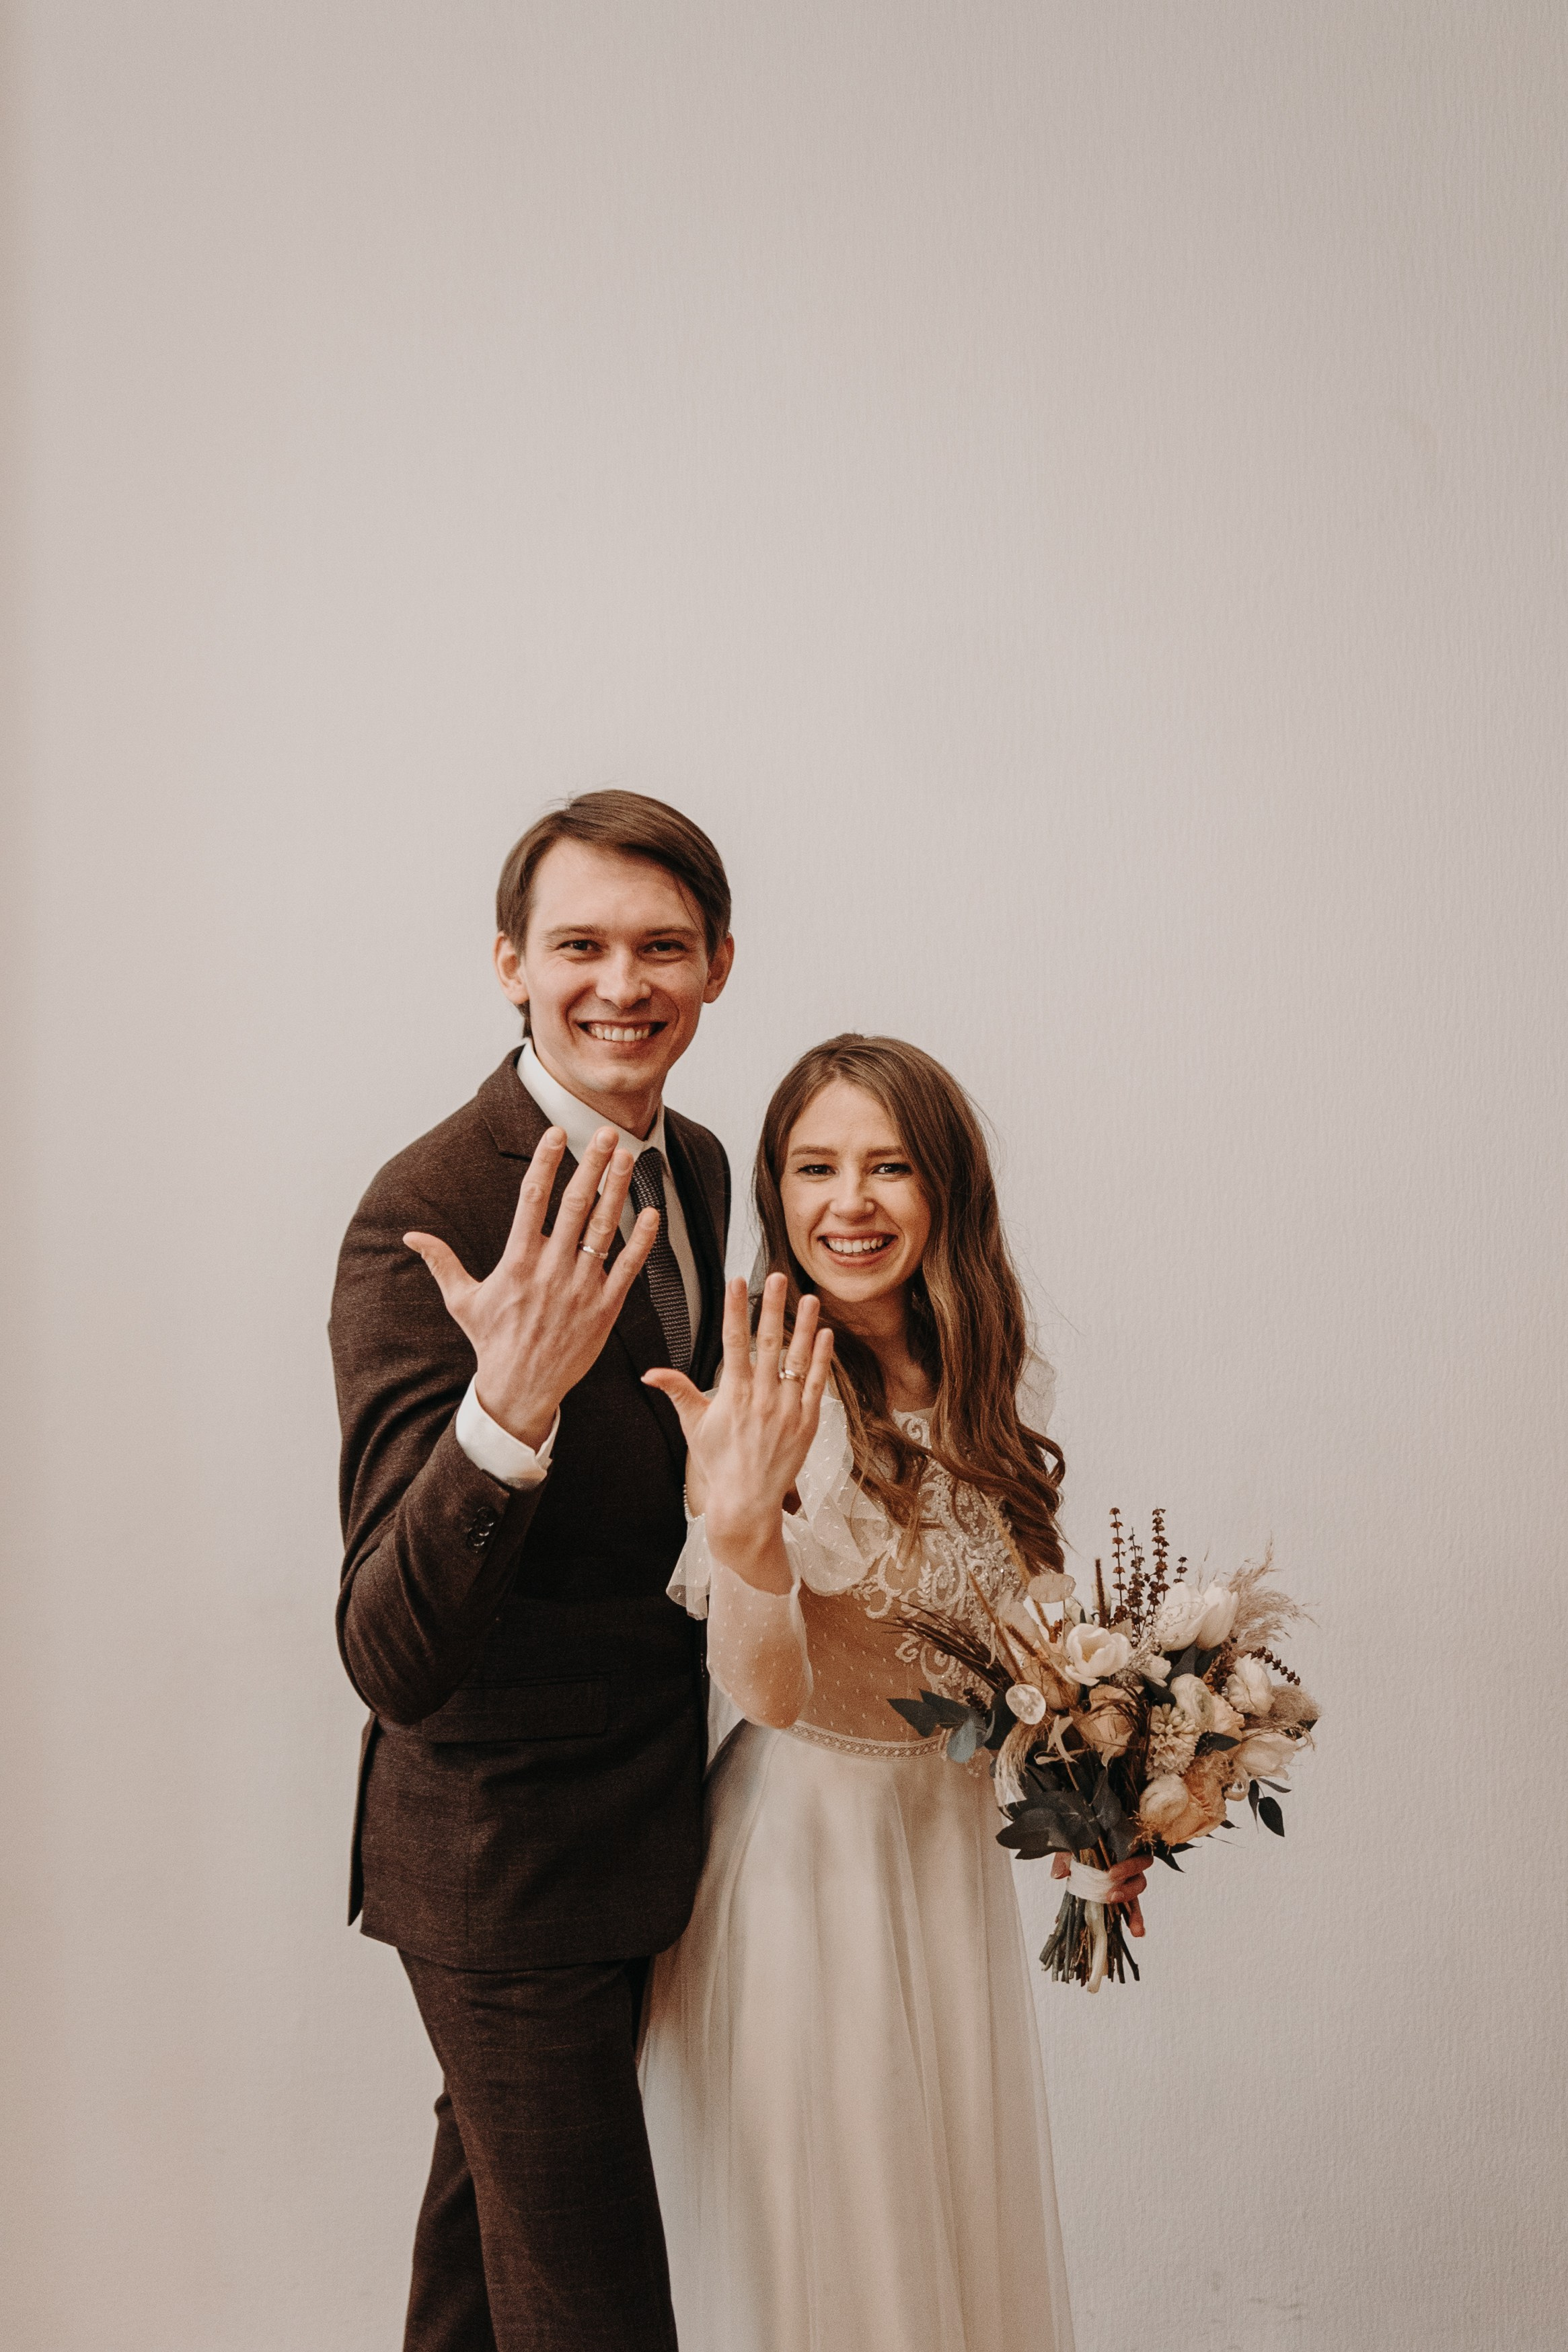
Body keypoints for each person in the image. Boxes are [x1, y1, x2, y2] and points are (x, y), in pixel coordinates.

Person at [638, 1033, 1148, 2352]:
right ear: (775, 1189)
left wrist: (1092, 1800)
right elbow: (759, 1685)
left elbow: (1015, 1653)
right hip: (813, 1860)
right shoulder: (776, 1387)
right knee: (841, 2244)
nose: (845, 1202)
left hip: (940, 1849)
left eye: (885, 1166)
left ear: (945, 1192)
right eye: (813, 1167)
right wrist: (745, 1531)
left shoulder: (985, 1373)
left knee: (942, 2225)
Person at [329, 790, 735, 2352]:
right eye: (578, 944)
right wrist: (506, 1414)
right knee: (593, 2316)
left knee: (482, 2271)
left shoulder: (693, 1158)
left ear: (715, 966)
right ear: (510, 962)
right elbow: (390, 1649)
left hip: (639, 1822)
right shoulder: (422, 1211)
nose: (619, 983)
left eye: (659, 946)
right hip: (498, 1865)